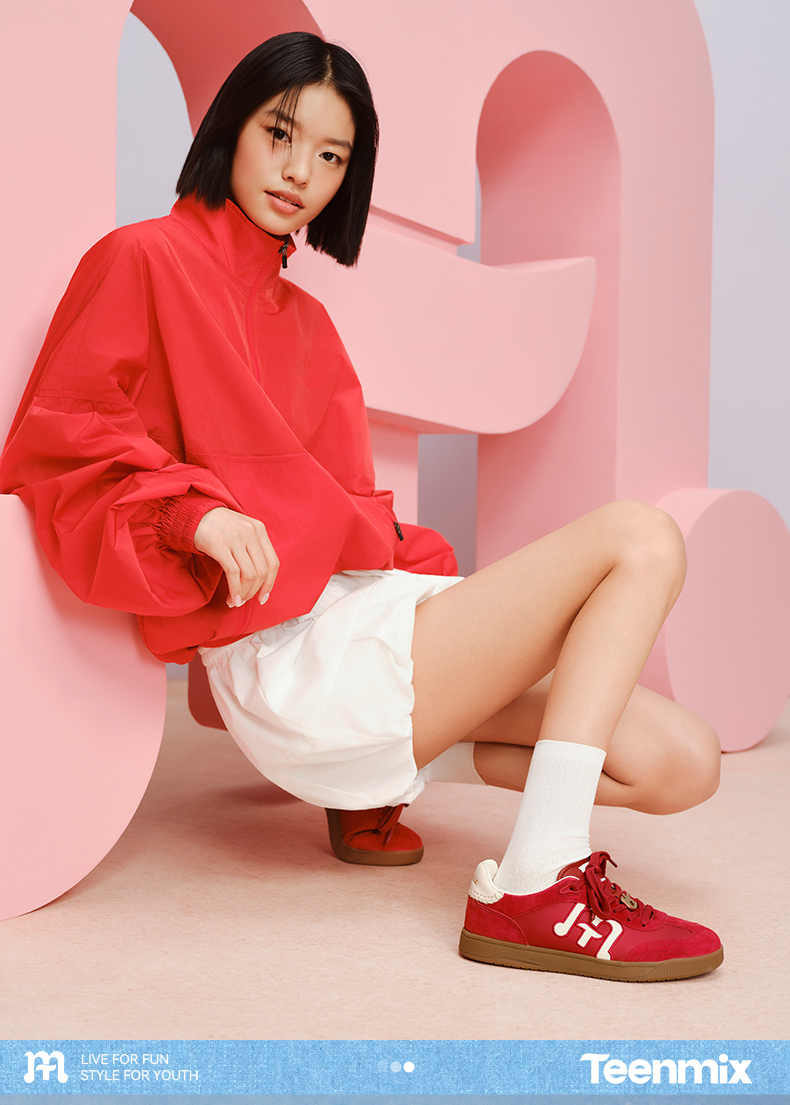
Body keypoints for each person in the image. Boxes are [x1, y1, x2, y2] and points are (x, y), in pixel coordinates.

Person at [0, 31, 723, 982]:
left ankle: (378, 785)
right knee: (640, 537)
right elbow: (60, 446)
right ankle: (534, 885)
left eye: (332, 155)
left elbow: (359, 528)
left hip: (361, 624)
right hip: (291, 662)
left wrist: (455, 608)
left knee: (682, 761)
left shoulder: (310, 324)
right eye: (280, 133)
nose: (300, 172)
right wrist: (191, 516)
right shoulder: (141, 259)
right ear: (231, 127)